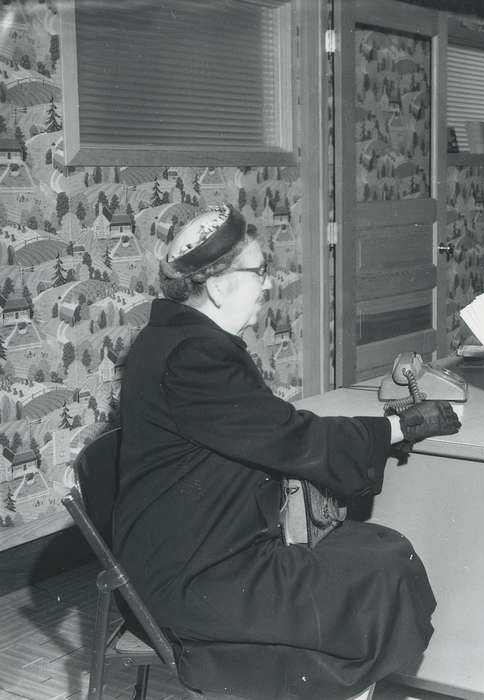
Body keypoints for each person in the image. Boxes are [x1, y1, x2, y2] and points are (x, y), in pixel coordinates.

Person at [113, 203, 461, 700]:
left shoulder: (171, 337)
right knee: (378, 570)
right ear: (216, 285)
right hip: (196, 577)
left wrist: (384, 429)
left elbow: (269, 429)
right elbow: (292, 437)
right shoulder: (197, 354)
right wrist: (395, 427)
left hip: (193, 549)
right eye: (259, 272)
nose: (269, 284)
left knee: (381, 553)